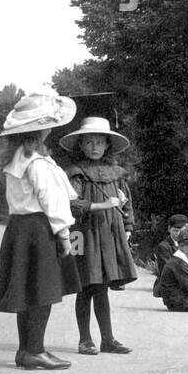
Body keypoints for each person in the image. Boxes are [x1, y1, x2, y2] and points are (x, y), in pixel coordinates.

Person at [0, 92, 81, 371]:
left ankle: (26, 349)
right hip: (39, 229)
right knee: (43, 290)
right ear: (40, 130)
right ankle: (35, 349)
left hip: (19, 229)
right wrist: (64, 235)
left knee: (27, 291)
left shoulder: (16, 159)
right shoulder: (38, 163)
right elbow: (51, 201)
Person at [60, 117, 137, 356]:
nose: (94, 147)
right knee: (85, 285)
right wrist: (103, 205)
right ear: (80, 145)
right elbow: (73, 205)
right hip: (82, 235)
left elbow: (127, 204)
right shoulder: (75, 173)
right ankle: (85, 340)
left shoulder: (117, 173)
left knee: (102, 286)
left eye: (99, 142)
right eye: (89, 142)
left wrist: (128, 226)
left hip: (109, 234)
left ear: (107, 145)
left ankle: (108, 339)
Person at [153, 214, 188, 280]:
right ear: (169, 229)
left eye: (182, 231)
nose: (179, 234)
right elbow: (167, 270)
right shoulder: (164, 246)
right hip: (168, 284)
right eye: (176, 231)